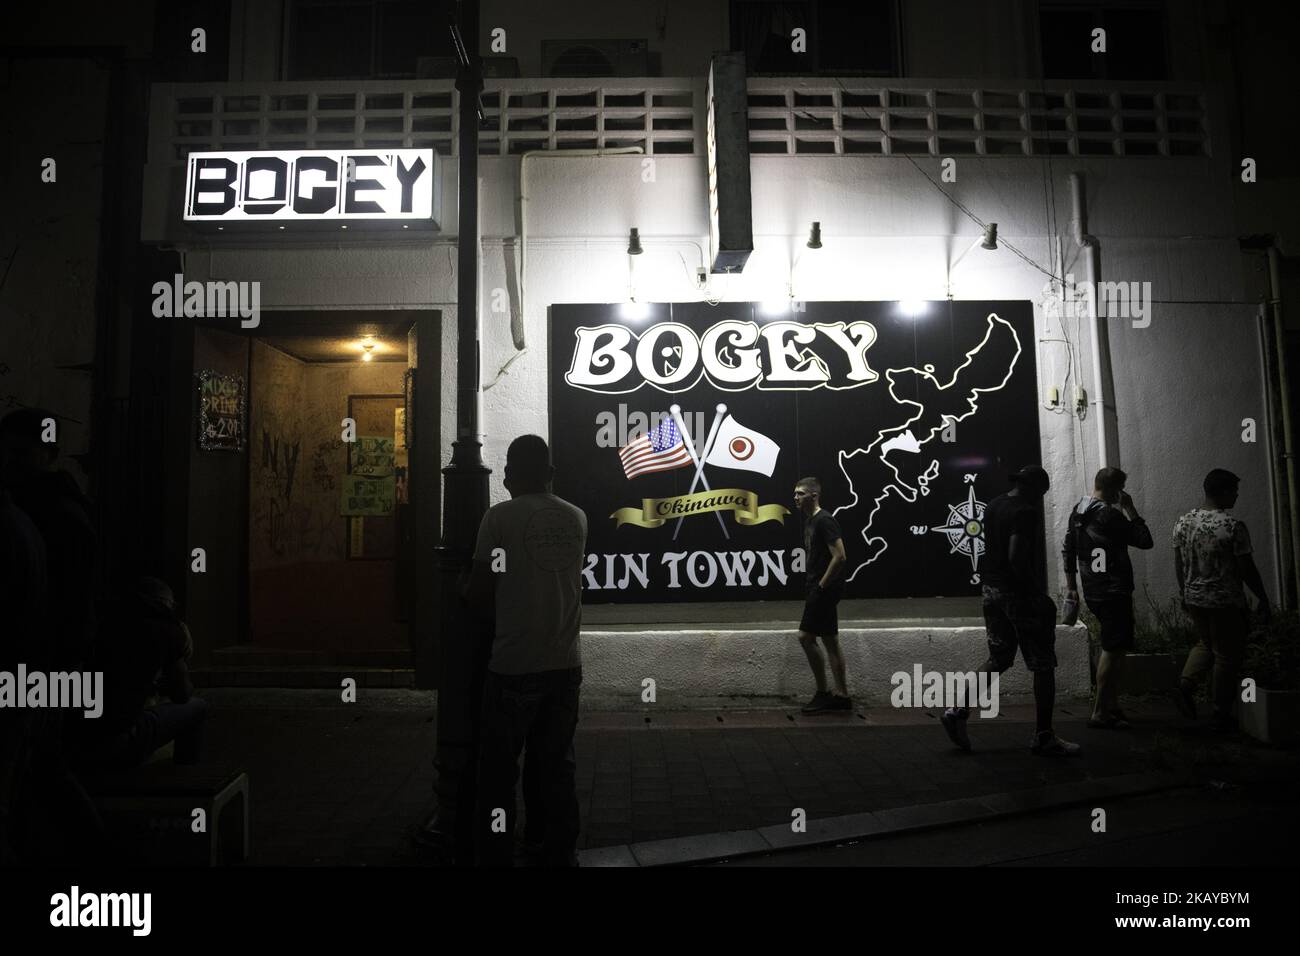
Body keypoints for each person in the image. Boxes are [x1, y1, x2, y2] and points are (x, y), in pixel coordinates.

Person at [465, 435, 587, 867]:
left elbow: (480, 595)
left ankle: (497, 851)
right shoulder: (577, 519)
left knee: (499, 773)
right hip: (564, 663)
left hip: (513, 665)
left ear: (510, 475)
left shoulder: (498, 519)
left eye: (507, 471)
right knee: (556, 767)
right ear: (550, 474)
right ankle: (555, 848)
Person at [941, 464, 1081, 756]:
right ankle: (1044, 735)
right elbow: (1017, 557)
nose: (1040, 500)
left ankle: (957, 710)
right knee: (1043, 664)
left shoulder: (994, 505)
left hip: (990, 590)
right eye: (1042, 493)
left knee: (999, 657)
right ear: (1034, 488)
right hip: (1017, 595)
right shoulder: (1024, 512)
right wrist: (1036, 596)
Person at [74, 577, 208, 770]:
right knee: (198, 706)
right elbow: (182, 694)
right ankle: (186, 780)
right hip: (116, 741)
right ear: (165, 603)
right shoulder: (167, 628)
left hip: (76, 738)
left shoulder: (105, 618)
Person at [1173, 469, 1270, 732]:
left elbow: (1179, 564)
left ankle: (1185, 685)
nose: (1237, 495)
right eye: (1234, 491)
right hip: (1224, 601)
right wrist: (1263, 597)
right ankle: (1220, 713)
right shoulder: (1231, 527)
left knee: (1205, 643)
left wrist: (1185, 592)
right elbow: (1246, 567)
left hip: (1195, 598)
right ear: (1223, 492)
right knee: (1227, 656)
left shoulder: (1183, 523)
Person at [1063, 467, 1154, 729]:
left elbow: (1068, 549)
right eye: (1121, 490)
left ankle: (1111, 705)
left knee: (1114, 646)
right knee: (1112, 649)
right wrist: (1131, 509)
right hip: (1114, 590)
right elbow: (1144, 540)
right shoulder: (1110, 515)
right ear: (1116, 489)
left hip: (1093, 589)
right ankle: (1100, 711)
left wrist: (1072, 587)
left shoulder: (1078, 510)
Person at [794, 477, 850, 714]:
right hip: (818, 586)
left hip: (823, 589)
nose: (795, 498)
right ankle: (841, 696)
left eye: (800, 494)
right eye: (795, 494)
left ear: (813, 495)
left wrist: (822, 586)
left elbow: (840, 555)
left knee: (805, 637)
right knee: (830, 640)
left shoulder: (824, 520)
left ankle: (824, 692)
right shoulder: (810, 522)